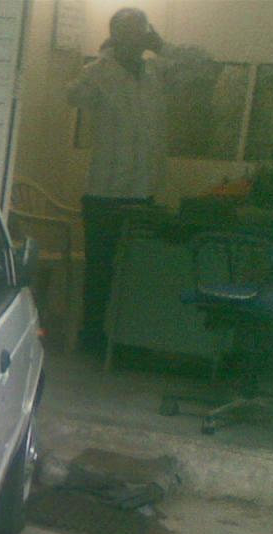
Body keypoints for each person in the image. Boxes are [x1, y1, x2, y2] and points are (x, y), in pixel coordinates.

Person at [66, 8, 203, 355]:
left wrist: (163, 47)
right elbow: (73, 95)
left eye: (140, 32)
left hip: (144, 191)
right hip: (104, 193)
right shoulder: (97, 73)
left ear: (148, 34)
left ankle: (127, 341)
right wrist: (103, 60)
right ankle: (92, 339)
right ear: (114, 35)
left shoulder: (158, 71)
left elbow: (206, 71)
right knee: (100, 273)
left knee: (138, 271)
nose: (134, 39)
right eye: (126, 32)